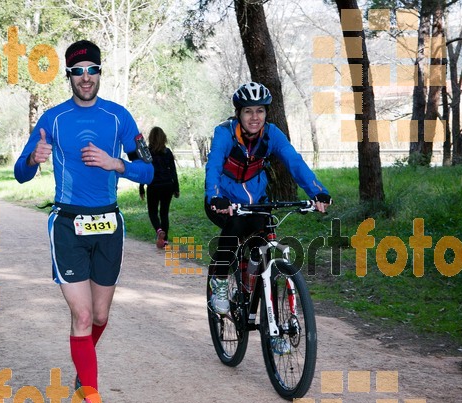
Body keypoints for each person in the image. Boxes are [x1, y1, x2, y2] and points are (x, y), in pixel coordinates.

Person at [14, 40, 154, 403]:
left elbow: (150, 172)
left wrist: (118, 164)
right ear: (69, 76)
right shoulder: (53, 119)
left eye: (92, 69)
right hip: (67, 223)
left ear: (99, 73)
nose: (86, 77)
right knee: (80, 316)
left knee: (99, 317)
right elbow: (20, 174)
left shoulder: (119, 117)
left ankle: (82, 369)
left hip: (108, 223)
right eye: (78, 71)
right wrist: (32, 159)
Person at [205, 82, 331, 316]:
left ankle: (252, 299)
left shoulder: (272, 134)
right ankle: (220, 281)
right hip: (223, 200)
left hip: (257, 202)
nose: (255, 117)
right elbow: (213, 166)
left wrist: (317, 192)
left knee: (260, 250)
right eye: (248, 111)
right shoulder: (225, 133)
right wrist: (215, 196)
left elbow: (294, 162)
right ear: (239, 113)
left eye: (260, 110)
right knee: (234, 228)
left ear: (266, 112)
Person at [139, 127, 180, 249]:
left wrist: (141, 188)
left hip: (153, 186)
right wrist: (176, 188)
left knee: (152, 212)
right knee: (164, 213)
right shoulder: (167, 152)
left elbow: (143, 172)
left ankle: (158, 230)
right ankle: (165, 241)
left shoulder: (147, 153)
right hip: (168, 185)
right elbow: (173, 171)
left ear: (151, 138)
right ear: (163, 138)